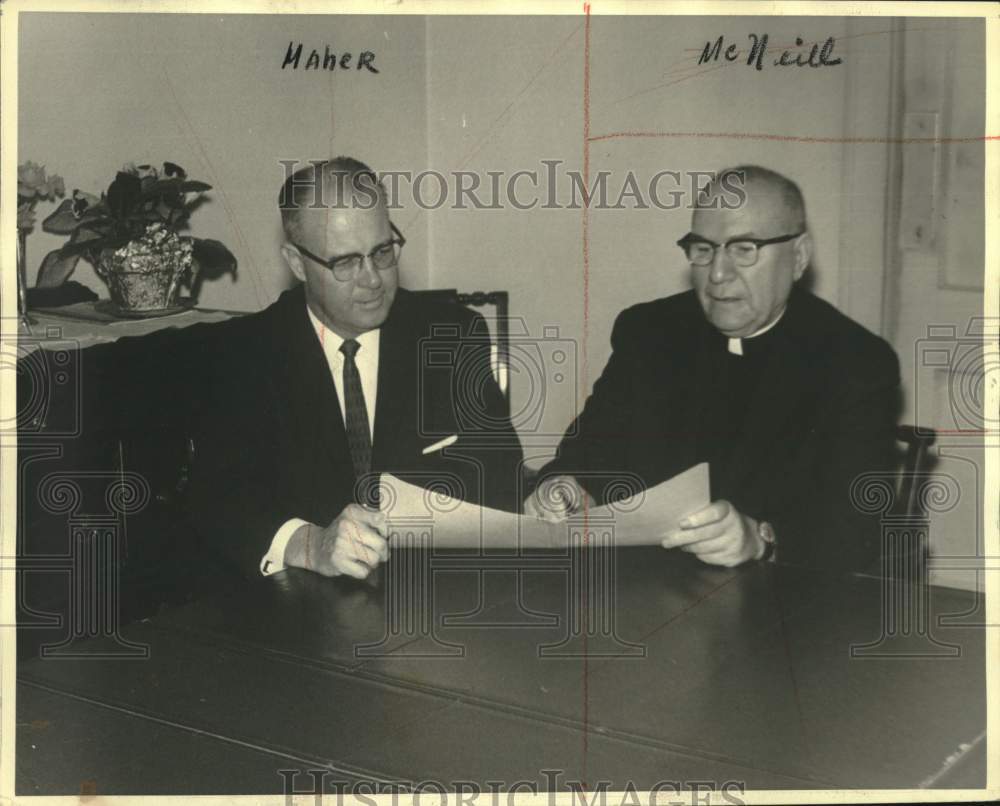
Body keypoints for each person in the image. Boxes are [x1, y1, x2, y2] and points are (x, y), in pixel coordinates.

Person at [525, 165, 900, 572]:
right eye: (703, 249)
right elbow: (588, 451)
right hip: (641, 589)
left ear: (798, 257)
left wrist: (762, 539)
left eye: (744, 249)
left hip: (776, 604)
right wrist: (563, 487)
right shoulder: (649, 331)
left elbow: (857, 529)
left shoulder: (854, 361)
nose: (718, 275)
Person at [166, 157, 523, 581]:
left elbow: (501, 478)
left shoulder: (451, 334)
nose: (372, 279)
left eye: (382, 252)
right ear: (297, 263)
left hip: (432, 596)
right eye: (346, 262)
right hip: (301, 612)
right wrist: (309, 544)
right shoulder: (244, 352)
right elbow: (217, 498)